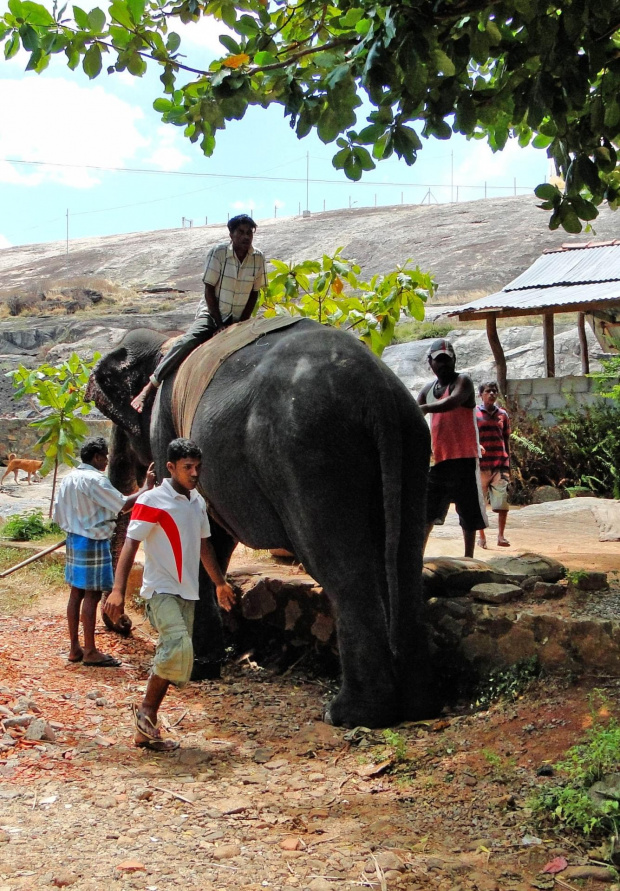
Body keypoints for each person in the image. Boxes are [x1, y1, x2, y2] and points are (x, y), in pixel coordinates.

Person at [104, 437, 235, 752]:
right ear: (170, 467)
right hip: (159, 590)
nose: (194, 473)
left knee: (176, 654)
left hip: (187, 593)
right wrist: (118, 590)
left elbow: (205, 547)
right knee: (177, 644)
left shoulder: (197, 503)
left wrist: (219, 583)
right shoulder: (151, 500)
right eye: (188, 467)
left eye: (197, 467)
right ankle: (146, 712)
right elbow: (131, 545)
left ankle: (145, 725)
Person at [131, 214, 267, 413]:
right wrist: (219, 324)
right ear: (231, 234)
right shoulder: (218, 253)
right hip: (212, 316)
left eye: (249, 233)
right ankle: (150, 387)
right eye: (241, 232)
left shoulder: (258, 258)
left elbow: (255, 293)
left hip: (240, 319)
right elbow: (209, 290)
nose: (246, 237)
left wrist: (240, 323)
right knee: (187, 341)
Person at [53, 436, 155, 666]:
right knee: (92, 595)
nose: (107, 461)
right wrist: (147, 488)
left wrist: (75, 526)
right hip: (93, 541)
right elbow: (124, 504)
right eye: (105, 456)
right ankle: (90, 651)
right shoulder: (95, 480)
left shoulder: (69, 479)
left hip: (74, 539)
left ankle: (74, 648)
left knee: (76, 594)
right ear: (97, 457)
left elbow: (58, 513)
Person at [417, 338, 488, 558]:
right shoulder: (428, 390)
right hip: (439, 460)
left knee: (468, 512)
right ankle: (417, 556)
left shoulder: (463, 382)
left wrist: (424, 408)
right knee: (427, 512)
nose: (443, 364)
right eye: (439, 360)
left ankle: (469, 557)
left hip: (465, 457)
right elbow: (416, 414)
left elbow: (453, 402)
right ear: (430, 363)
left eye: (447, 360)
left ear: (454, 360)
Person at [476, 380, 511, 549]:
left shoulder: (503, 415)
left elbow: (506, 438)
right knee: (480, 502)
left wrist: (508, 460)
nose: (491, 394)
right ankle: (481, 537)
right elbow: (471, 438)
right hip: (480, 466)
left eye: (494, 391)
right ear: (480, 395)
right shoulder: (474, 414)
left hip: (500, 464)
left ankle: (501, 536)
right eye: (488, 391)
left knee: (502, 502)